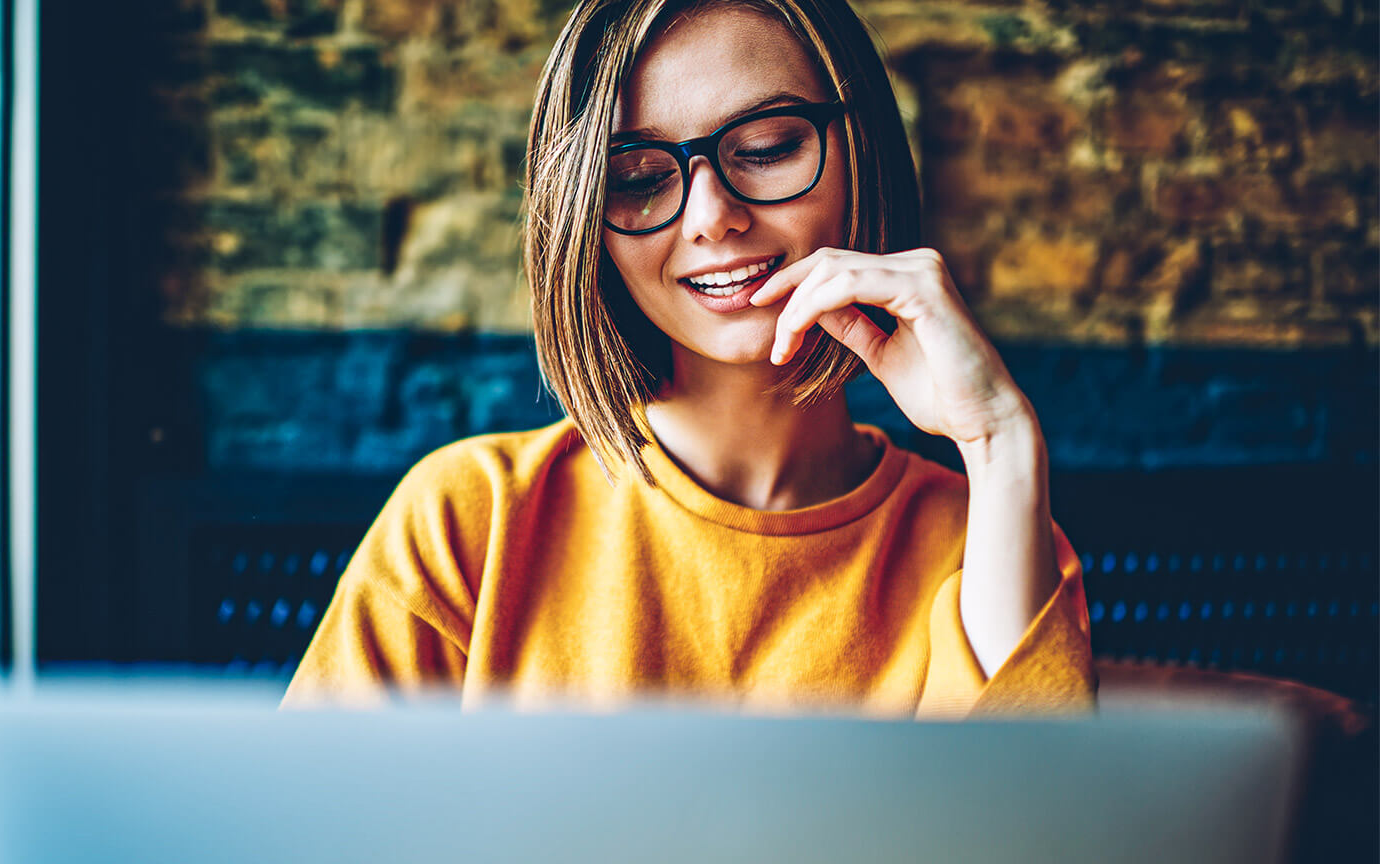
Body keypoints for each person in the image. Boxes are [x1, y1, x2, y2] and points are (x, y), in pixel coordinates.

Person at [285, 0, 1095, 718]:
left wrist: (998, 438)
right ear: (586, 222)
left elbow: (1030, 831)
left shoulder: (988, 536)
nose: (711, 217)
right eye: (638, 177)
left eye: (770, 147)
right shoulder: (468, 522)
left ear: (864, 154)